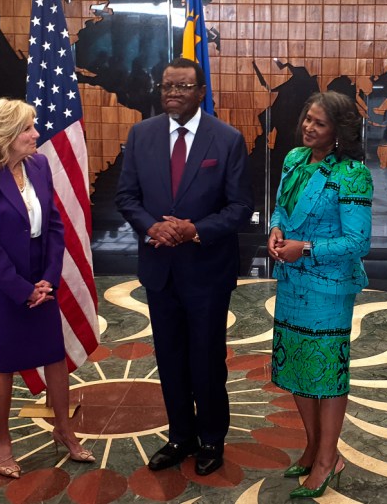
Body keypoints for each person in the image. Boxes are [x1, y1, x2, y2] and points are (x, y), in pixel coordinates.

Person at [115, 57, 254, 476]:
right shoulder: (141, 135)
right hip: (160, 269)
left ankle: (211, 438)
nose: (172, 93)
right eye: (166, 86)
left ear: (200, 92)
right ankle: (180, 437)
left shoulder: (226, 140)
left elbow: (240, 207)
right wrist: (153, 227)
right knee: (171, 357)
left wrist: (194, 229)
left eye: (182, 87)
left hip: (207, 271)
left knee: (206, 358)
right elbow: (127, 197)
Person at [0, 98, 95, 479]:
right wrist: (23, 290)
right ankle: (2, 442)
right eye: (27, 129)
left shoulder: (38, 165)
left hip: (41, 282)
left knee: (54, 356)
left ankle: (64, 430)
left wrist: (48, 280)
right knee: (2, 364)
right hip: (1, 288)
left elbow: (54, 225)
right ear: (5, 135)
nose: (36, 134)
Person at [267, 91, 373, 498]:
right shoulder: (294, 159)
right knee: (296, 365)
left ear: (339, 132)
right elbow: (280, 208)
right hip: (292, 282)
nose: (309, 127)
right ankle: (314, 447)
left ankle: (329, 459)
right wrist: (276, 231)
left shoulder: (352, 175)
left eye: (320, 123)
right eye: (307, 119)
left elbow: (358, 241)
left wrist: (305, 248)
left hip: (328, 288)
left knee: (326, 373)